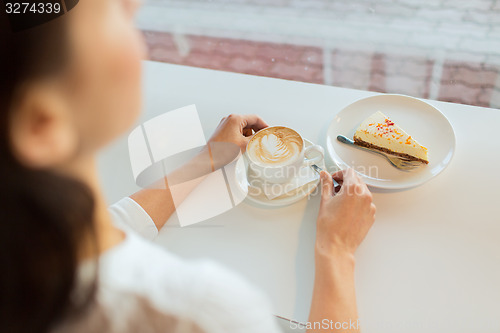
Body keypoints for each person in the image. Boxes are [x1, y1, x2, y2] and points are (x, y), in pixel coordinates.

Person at [0, 0, 376, 332]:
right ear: (42, 123)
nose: (135, 3)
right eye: (114, 12)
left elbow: (110, 231)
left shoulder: (34, 256)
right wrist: (337, 250)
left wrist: (207, 160)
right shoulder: (200, 314)